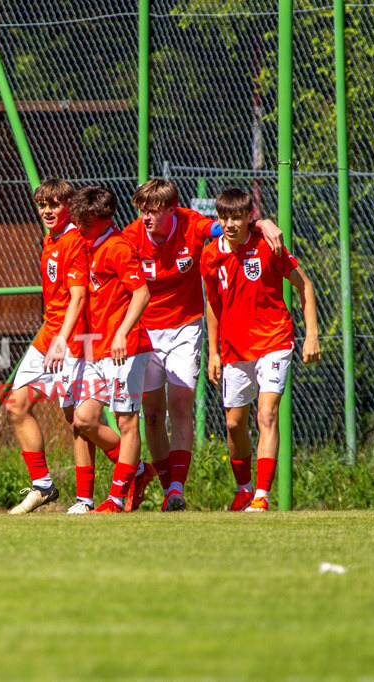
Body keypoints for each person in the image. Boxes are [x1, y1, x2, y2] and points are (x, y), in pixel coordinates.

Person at [122, 178, 285, 511]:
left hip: (185, 327)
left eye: (154, 210)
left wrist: (262, 222)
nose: (146, 217)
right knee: (151, 415)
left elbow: (229, 227)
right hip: (146, 331)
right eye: (142, 211)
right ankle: (166, 488)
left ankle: (177, 489)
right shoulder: (130, 237)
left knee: (181, 405)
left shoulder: (192, 225)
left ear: (172, 209)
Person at [201, 188, 320, 512]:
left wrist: (312, 334)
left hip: (274, 341)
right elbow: (213, 305)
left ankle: (262, 496)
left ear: (248, 217)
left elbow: (305, 285)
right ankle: (244, 489)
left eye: (237, 217)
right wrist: (213, 352)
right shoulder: (210, 255)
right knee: (233, 424)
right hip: (234, 350)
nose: (230, 224)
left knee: (266, 414)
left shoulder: (267, 245)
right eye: (224, 217)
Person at [3, 178, 101, 515]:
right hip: (49, 334)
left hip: (69, 339)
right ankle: (43, 485)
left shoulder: (73, 241)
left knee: (77, 422)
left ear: (68, 207)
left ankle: (95, 493)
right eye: (43, 205)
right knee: (16, 404)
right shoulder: (50, 238)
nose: (47, 210)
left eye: (55, 204)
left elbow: (78, 298)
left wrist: (62, 340)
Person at [69, 186, 154, 513]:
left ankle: (116, 499)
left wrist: (121, 332)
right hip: (97, 350)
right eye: (79, 220)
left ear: (105, 220)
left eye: (87, 223)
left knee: (127, 422)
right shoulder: (85, 244)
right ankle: (138, 470)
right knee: (83, 420)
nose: (81, 226)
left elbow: (142, 293)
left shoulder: (118, 247)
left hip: (125, 349)